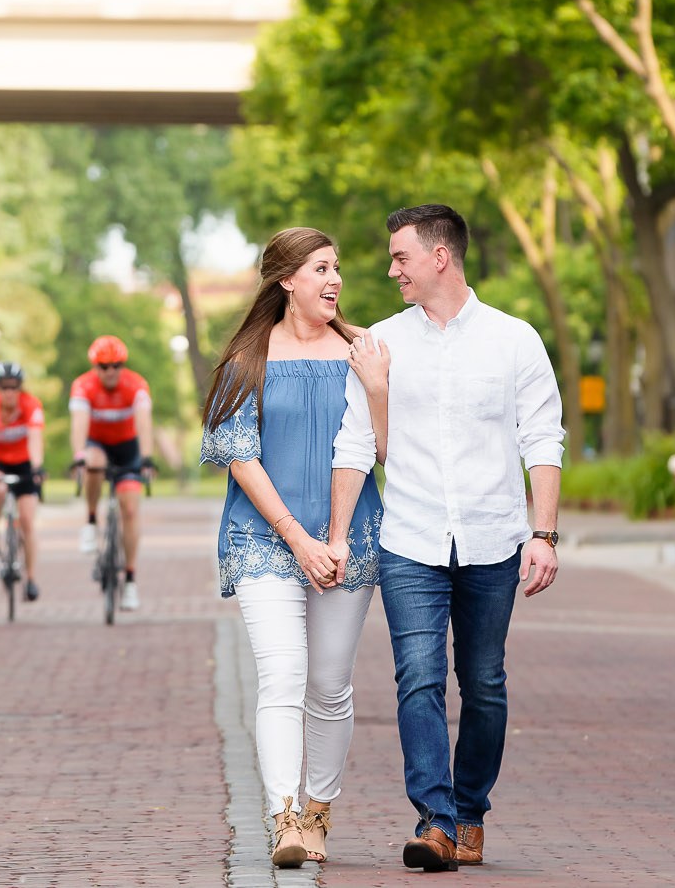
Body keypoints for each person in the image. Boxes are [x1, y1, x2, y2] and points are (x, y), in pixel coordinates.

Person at [332, 204, 564, 873]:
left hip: (495, 536)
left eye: (400, 255)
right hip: (410, 537)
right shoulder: (379, 342)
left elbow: (542, 439)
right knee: (418, 678)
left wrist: (543, 532)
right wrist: (340, 535)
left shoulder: (514, 339)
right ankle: (434, 820)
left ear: (441, 256)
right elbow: (355, 447)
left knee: (484, 682)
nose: (390, 268)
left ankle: (469, 811)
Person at [202, 227, 386, 869]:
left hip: (348, 538)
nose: (335, 280)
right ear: (286, 281)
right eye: (320, 269)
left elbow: (388, 448)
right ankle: (283, 813)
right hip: (265, 537)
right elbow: (238, 458)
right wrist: (297, 538)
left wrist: (382, 388)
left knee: (330, 684)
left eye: (338, 268)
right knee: (282, 674)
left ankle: (317, 811)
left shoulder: (365, 352)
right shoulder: (246, 359)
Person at [69, 334, 151, 611]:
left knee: (130, 510)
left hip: (128, 449)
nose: (110, 371)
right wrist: (78, 455)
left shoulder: (136, 385)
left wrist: (148, 458)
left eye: (116, 365)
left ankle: (129, 579)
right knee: (93, 461)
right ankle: (91, 522)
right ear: (95, 367)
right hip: (97, 444)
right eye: (103, 367)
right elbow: (79, 423)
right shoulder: (83, 386)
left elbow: (144, 423)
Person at [0, 359, 45, 603]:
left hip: (24, 462)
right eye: (4, 387)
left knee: (27, 521)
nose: (9, 392)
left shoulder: (31, 405)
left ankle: (32, 579)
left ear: (20, 387)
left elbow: (35, 439)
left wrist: (37, 467)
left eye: (13, 387)